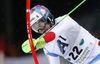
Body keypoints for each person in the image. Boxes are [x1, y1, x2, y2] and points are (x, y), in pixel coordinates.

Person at [22, 5, 100, 64]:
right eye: (35, 28)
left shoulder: (65, 20)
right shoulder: (47, 47)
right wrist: (42, 43)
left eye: (40, 24)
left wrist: (41, 42)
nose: (40, 30)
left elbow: (55, 33)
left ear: (48, 18)